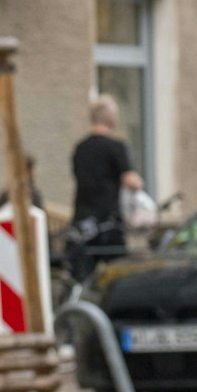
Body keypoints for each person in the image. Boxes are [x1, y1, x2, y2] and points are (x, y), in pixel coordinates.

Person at [71, 95, 144, 273]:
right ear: (111, 118)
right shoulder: (115, 147)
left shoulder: (80, 148)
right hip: (108, 224)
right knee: (118, 274)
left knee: (83, 277)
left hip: (83, 222)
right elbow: (131, 181)